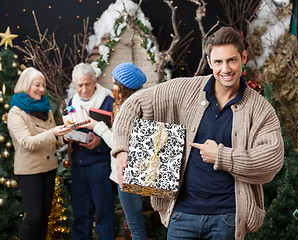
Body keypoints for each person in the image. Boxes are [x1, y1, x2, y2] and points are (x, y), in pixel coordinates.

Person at [111, 27, 284, 240]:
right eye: (218, 62)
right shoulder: (185, 90)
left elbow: (271, 161)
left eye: (232, 60)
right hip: (181, 213)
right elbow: (132, 104)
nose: (225, 69)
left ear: (243, 58)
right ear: (210, 62)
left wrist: (222, 157)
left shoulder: (259, 109)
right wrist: (121, 150)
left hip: (228, 217)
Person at [80, 62, 148, 240]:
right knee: (136, 225)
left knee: (135, 226)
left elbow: (120, 145)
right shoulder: (143, 100)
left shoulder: (130, 107)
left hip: (126, 171)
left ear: (125, 86)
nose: (113, 87)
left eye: (116, 83)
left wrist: (98, 127)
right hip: (136, 170)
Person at [7, 67, 72, 240]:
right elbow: (27, 142)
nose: (42, 89)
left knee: (44, 216)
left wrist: (66, 138)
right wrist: (54, 133)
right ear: (26, 85)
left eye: (43, 85)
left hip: (48, 169)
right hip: (30, 171)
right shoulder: (16, 112)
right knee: (34, 216)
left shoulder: (46, 109)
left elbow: (54, 140)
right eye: (37, 85)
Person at [68, 63, 116, 240]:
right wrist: (68, 136)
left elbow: (118, 135)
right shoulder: (71, 103)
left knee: (104, 213)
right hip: (79, 165)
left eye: (87, 84)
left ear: (95, 82)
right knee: (80, 215)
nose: (83, 89)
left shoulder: (108, 102)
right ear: (74, 85)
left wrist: (100, 141)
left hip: (100, 164)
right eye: (79, 85)